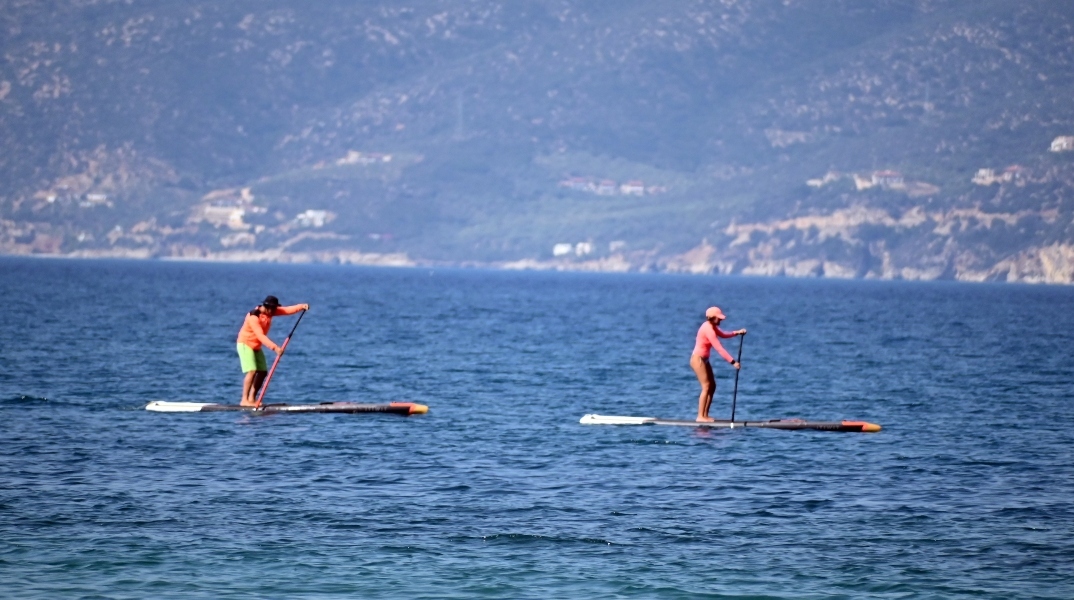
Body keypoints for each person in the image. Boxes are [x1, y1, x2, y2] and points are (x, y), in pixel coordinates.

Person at [236, 295, 309, 406]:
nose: (275, 312)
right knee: (252, 371)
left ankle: (252, 399)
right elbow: (260, 335)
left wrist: (301, 306)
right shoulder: (253, 317)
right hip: (245, 344)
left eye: (275, 309)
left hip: (256, 346)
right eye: (273, 309)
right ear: (267, 307)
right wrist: (275, 348)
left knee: (262, 372)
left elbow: (286, 310)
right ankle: (244, 400)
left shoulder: (271, 311)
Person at [690, 306, 746, 422]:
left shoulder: (712, 326)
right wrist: (733, 362)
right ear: (711, 318)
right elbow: (719, 348)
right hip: (698, 359)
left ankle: (705, 415)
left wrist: (737, 332)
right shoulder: (708, 329)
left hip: (704, 359)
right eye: (718, 318)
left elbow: (723, 334)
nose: (720, 320)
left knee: (712, 386)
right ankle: (700, 416)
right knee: (706, 386)